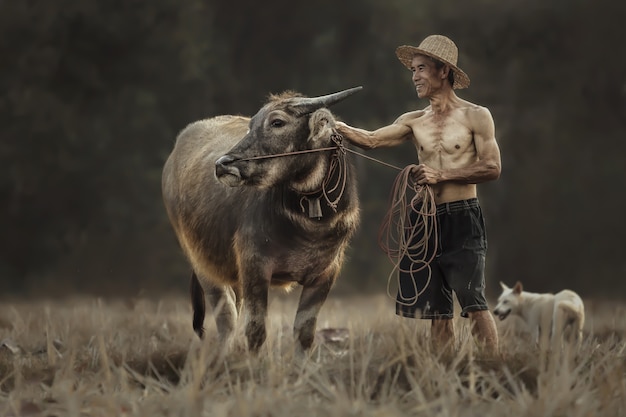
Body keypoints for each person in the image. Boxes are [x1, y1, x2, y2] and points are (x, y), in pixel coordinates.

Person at [336, 34, 501, 356]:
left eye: (422, 68)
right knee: (436, 312)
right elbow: (370, 140)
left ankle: (496, 367)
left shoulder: (476, 116)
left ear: (443, 71)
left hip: (463, 215)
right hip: (425, 220)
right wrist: (334, 126)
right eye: (413, 69)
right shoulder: (413, 121)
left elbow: (492, 167)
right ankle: (442, 374)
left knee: (474, 302)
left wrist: (442, 175)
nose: (414, 76)